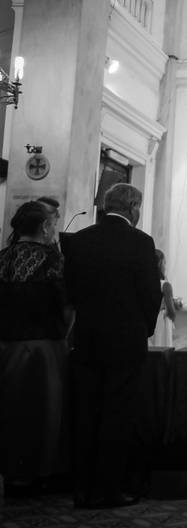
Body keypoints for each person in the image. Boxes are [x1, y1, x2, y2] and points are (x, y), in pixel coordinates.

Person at [62, 183, 161, 508]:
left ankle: (82, 488)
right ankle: (109, 488)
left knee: (86, 411)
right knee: (118, 413)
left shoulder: (79, 241)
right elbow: (149, 293)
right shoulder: (141, 242)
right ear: (134, 207)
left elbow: (71, 292)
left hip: (88, 338)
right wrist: (143, 329)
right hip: (125, 342)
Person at [0, 201, 70, 494]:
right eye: (52, 224)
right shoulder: (53, 260)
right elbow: (65, 305)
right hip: (44, 347)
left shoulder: (3, 258)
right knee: (45, 412)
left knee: (10, 410)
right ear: (44, 227)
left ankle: (12, 474)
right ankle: (41, 474)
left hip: (6, 346)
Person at [148, 250, 180, 348]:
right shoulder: (165, 285)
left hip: (148, 321)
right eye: (165, 263)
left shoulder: (144, 283)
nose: (165, 266)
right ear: (160, 264)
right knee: (162, 350)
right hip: (161, 322)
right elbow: (171, 311)